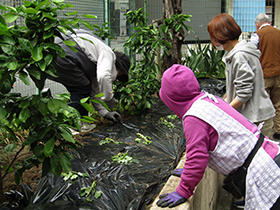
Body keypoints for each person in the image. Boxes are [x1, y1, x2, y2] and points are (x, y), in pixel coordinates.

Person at [156, 64, 280, 209]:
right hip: (270, 155)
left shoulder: (193, 119)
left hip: (266, 174)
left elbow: (197, 158)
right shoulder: (208, 100)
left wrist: (183, 191)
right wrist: (189, 171)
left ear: (171, 99)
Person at [207, 13, 275, 138]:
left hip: (256, 118)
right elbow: (236, 89)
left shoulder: (240, 56)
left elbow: (244, 93)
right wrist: (221, 103)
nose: (212, 41)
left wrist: (224, 110)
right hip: (253, 115)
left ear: (220, 35)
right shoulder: (236, 53)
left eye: (212, 36)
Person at [50, 29, 130, 132]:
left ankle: (79, 123)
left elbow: (94, 91)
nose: (117, 78)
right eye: (119, 75)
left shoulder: (95, 62)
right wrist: (109, 98)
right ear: (117, 66)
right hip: (64, 52)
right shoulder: (108, 53)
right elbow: (103, 76)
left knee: (81, 88)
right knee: (81, 89)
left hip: (55, 49)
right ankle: (69, 125)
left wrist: (105, 113)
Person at [250, 13, 280, 140]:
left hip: (264, 75)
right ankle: (278, 130)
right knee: (278, 103)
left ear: (257, 24)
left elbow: (251, 52)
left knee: (262, 103)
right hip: (279, 73)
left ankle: (262, 132)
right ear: (270, 23)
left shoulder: (257, 35)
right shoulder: (278, 33)